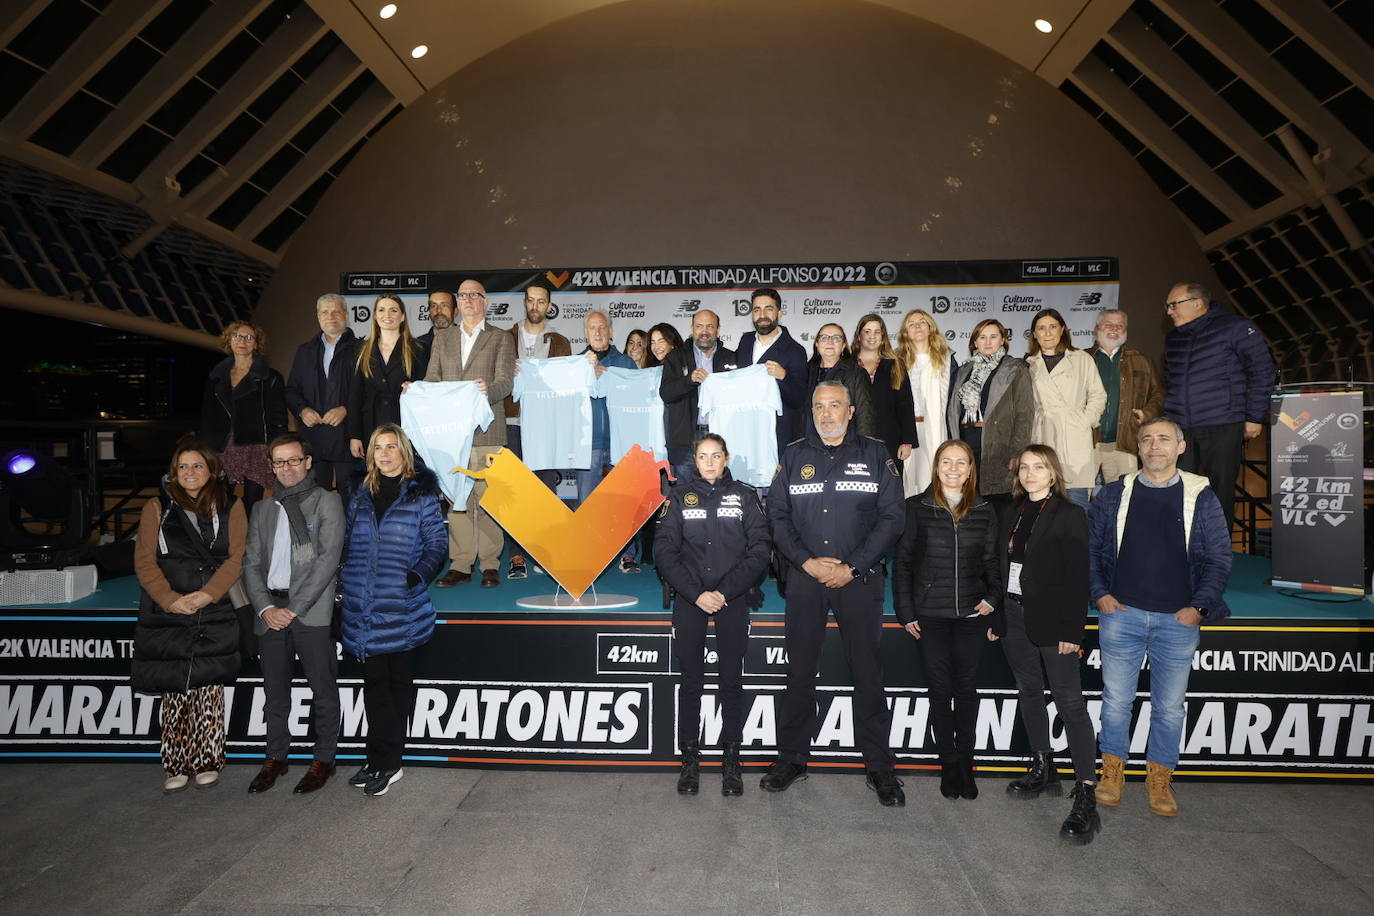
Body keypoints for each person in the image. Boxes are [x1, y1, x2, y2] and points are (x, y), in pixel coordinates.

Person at [760, 382, 906, 807]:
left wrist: (852, 567)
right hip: (805, 579)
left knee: (868, 674)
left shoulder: (877, 454)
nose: (826, 414)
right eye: (819, 406)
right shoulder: (792, 455)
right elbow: (778, 515)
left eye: (835, 406)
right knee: (800, 671)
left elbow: (892, 517)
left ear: (851, 410)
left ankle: (880, 767)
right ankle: (791, 759)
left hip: (858, 580)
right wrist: (805, 562)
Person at [1089, 417, 1232, 817]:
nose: (1155, 446)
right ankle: (1112, 774)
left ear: (1180, 447)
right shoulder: (1116, 492)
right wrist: (1099, 594)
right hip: (1122, 616)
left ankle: (1160, 780)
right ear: (1138, 448)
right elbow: (1090, 546)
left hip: (1178, 621)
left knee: (1170, 707)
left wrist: (1199, 608)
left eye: (1164, 439)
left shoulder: (1201, 495)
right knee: (1116, 701)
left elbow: (1220, 557)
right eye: (1147, 439)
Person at [655, 434, 770, 797]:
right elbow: (664, 551)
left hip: (732, 599)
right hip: (691, 600)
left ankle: (731, 760)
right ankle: (690, 759)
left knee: (731, 681)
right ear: (695, 459)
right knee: (691, 681)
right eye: (703, 456)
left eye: (715, 456)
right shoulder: (678, 496)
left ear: (726, 458)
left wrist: (724, 592)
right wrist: (696, 594)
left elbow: (760, 549)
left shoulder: (746, 496)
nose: (709, 462)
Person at [995, 445, 1099, 844]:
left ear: (1053, 473)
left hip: (1054, 624)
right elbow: (1000, 568)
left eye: (1039, 467)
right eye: (1024, 467)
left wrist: (1074, 632)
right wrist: (998, 617)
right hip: (1015, 617)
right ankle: (1044, 767)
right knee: (1029, 692)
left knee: (1070, 703)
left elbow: (1077, 578)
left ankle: (1086, 792)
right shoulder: (1011, 512)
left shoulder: (1070, 515)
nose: (1030, 473)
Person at [131, 441, 246, 793]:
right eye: (183, 467)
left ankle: (208, 760)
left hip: (213, 608)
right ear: (173, 472)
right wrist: (169, 600)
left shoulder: (232, 505)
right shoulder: (157, 507)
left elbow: (238, 557)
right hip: (169, 612)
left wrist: (209, 594)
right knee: (175, 690)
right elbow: (144, 561)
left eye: (197, 466)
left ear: (211, 470)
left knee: (208, 689)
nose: (190, 473)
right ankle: (175, 763)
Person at [339, 424, 446, 797]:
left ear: (404, 452)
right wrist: (345, 580)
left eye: (391, 447)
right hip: (361, 606)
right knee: (373, 689)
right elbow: (349, 542)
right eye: (377, 448)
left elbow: (436, 544)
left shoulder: (422, 496)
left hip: (401, 608)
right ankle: (376, 758)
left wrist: (415, 577)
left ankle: (389, 763)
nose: (384, 454)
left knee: (394, 690)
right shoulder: (359, 493)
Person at [893, 439, 1000, 801]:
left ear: (972, 469)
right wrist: (906, 611)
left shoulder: (985, 509)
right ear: (936, 467)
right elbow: (903, 563)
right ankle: (948, 764)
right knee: (940, 692)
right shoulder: (916, 508)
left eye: (962, 463)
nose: (953, 469)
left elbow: (992, 564)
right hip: (930, 615)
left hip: (971, 615)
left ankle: (966, 765)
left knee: (966, 691)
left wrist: (992, 599)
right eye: (946, 462)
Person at [241, 433, 345, 795]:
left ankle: (324, 760)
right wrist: (267, 607)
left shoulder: (327, 501)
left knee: (323, 690)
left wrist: (292, 610)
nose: (287, 468)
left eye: (293, 460)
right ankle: (276, 757)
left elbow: (327, 561)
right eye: (279, 462)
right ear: (271, 467)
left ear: (308, 462)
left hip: (310, 612)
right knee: (275, 694)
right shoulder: (262, 508)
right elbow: (251, 563)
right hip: (269, 612)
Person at [1162, 282, 1276, 531]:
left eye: (1173, 305)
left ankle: (1217, 553)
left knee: (1220, 492)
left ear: (1197, 303)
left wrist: (1254, 416)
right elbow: (1169, 381)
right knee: (1178, 490)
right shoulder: (1173, 340)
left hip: (1222, 425)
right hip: (1181, 429)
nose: (1169, 311)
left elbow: (1263, 371)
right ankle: (1182, 549)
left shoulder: (1235, 327)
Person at [427, 279, 516, 589]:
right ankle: (462, 563)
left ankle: (490, 563)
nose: (467, 300)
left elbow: (506, 383)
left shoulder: (501, 338)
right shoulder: (443, 338)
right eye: (462, 295)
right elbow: (432, 380)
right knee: (458, 500)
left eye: (473, 295)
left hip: (488, 430)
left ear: (484, 301)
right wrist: (417, 391)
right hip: (452, 435)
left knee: (490, 499)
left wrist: (485, 391)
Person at [504, 283, 571, 579]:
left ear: (548, 305)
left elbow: (567, 386)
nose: (535, 306)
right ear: (525, 303)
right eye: (530, 300)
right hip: (512, 423)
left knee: (545, 491)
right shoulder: (505, 338)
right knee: (514, 492)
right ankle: (516, 554)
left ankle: (544, 551)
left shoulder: (560, 342)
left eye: (540, 301)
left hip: (546, 426)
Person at [577, 310, 641, 572]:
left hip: (620, 443)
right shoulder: (575, 364)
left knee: (623, 502)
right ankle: (589, 553)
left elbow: (638, 398)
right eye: (593, 328)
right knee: (588, 503)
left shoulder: (626, 363)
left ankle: (627, 554)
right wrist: (586, 373)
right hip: (587, 443)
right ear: (585, 333)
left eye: (603, 327)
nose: (599, 333)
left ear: (611, 331)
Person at [1024, 308, 1106, 511]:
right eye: (1041, 328)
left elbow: (1098, 394)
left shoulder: (1081, 359)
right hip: (1042, 434)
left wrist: (1085, 421)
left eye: (1053, 327)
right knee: (1043, 502)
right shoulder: (1028, 364)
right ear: (1034, 334)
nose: (1048, 332)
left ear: (1062, 329)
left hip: (1074, 435)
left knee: (1076, 503)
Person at [947, 318, 1033, 506]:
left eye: (993, 336)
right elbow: (953, 411)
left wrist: (1017, 452)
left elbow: (1024, 414)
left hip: (998, 447)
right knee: (968, 506)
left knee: (997, 505)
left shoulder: (1015, 368)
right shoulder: (963, 371)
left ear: (1003, 340)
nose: (987, 342)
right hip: (967, 444)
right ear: (975, 342)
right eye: (982, 337)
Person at [201, 320, 287, 508]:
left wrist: (276, 452)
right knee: (220, 503)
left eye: (249, 337)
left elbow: (279, 419)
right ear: (229, 341)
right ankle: (226, 538)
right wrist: (204, 449)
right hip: (222, 447)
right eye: (237, 336)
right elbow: (207, 416)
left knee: (252, 505)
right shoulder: (215, 377)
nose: (243, 341)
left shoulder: (271, 377)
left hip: (256, 447)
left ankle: (250, 538)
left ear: (256, 344)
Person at [285, 294, 357, 491]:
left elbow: (368, 392)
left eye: (336, 311)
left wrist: (346, 409)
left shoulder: (361, 349)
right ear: (318, 316)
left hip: (348, 438)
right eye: (325, 312)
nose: (330, 316)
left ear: (346, 315)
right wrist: (302, 410)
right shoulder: (304, 351)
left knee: (349, 499)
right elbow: (291, 390)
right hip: (313, 438)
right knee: (315, 498)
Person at [346, 293, 429, 460]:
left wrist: (414, 389)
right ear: (375, 315)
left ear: (402, 316)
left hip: (405, 424)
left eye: (393, 310)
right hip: (370, 423)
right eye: (381, 310)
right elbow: (355, 395)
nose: (387, 315)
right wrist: (354, 435)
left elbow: (426, 391)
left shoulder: (418, 349)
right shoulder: (361, 350)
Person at [1087, 309, 1163, 489]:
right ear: (1097, 328)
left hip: (1125, 443)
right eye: (1108, 324)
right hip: (1085, 443)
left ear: (1126, 330)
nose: (1114, 329)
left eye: (1119, 325)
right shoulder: (1082, 359)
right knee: (1078, 499)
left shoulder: (1141, 360)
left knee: (1123, 500)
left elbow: (1158, 393)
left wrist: (1147, 413)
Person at [660, 309, 735, 480]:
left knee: (718, 491)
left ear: (718, 329)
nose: (704, 331)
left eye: (710, 326)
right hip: (686, 440)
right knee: (687, 496)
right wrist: (689, 380)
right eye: (699, 326)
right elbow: (666, 393)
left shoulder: (730, 357)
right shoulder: (675, 357)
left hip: (721, 435)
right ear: (692, 328)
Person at [734, 288, 809, 449]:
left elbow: (798, 400)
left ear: (780, 313)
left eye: (768, 309)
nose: (762, 315)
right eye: (757, 309)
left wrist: (784, 377)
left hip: (777, 436)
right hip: (745, 430)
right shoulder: (745, 341)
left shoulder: (795, 350)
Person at [896, 308, 957, 498]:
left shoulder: (947, 359)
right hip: (907, 428)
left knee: (933, 475)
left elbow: (954, 398)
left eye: (922, 322)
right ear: (906, 332)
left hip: (936, 427)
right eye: (911, 324)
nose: (917, 327)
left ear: (931, 327)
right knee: (908, 479)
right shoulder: (896, 360)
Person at [852, 313, 917, 466]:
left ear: (883, 336)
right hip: (853, 440)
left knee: (889, 485)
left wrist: (907, 441)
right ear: (859, 336)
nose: (872, 336)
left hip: (889, 439)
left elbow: (905, 405)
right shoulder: (847, 364)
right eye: (867, 331)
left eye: (877, 331)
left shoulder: (895, 365)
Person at [804, 323, 876, 439]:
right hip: (809, 443)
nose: (830, 342)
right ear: (817, 344)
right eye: (824, 338)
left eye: (836, 338)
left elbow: (865, 416)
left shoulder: (857, 373)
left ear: (843, 346)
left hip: (845, 445)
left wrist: (864, 448)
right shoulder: (806, 372)